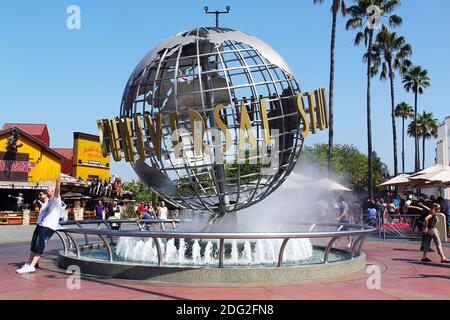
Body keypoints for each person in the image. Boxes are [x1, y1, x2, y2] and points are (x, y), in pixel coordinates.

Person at [16, 176, 62, 274]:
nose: (46, 191)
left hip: (47, 227)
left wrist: (58, 184)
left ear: (53, 191)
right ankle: (29, 264)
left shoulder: (56, 199)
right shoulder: (49, 201)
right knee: (34, 246)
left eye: (48, 190)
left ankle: (32, 266)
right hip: (42, 225)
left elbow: (57, 192)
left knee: (39, 246)